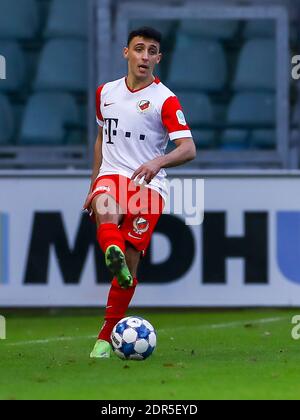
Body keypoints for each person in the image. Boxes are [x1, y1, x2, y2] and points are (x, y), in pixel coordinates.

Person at [84, 26, 196, 358]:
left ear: (158, 58)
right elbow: (101, 138)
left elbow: (188, 148)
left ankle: (105, 337)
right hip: (113, 175)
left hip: (148, 187)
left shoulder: (165, 99)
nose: (144, 56)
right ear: (126, 53)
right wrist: (93, 182)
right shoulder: (105, 92)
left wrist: (157, 162)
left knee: (129, 272)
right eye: (139, 49)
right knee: (105, 204)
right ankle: (113, 247)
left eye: (151, 51)